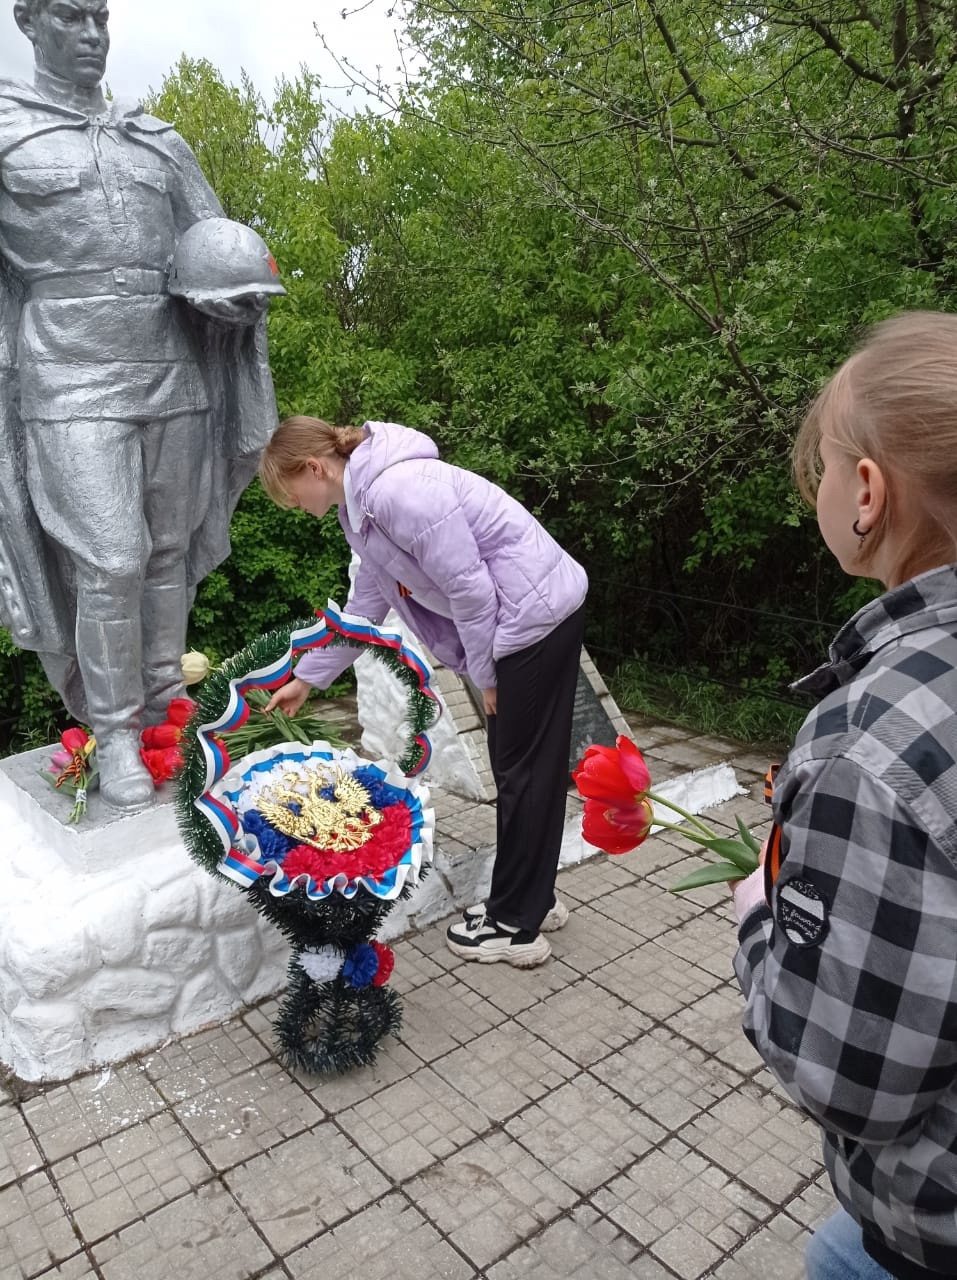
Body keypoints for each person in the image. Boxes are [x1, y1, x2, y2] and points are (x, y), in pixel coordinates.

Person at [0, 0, 280, 811]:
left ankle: (166, 711)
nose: (92, 35)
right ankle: (116, 731)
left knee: (166, 552)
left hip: (173, 370)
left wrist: (236, 299)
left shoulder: (155, 140)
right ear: (29, 22)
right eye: (71, 17)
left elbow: (216, 244)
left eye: (101, 17)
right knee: (111, 558)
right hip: (67, 374)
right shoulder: (8, 133)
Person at [731, 311, 957, 1280]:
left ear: (866, 491)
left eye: (820, 465)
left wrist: (757, 915)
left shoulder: (870, 743)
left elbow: (851, 1079)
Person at [259, 416, 588, 967]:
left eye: (291, 494)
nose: (295, 507)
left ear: (314, 467)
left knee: (522, 772)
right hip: (527, 616)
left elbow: (472, 591)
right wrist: (307, 679)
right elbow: (364, 608)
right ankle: (531, 899)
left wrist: (487, 676)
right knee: (526, 770)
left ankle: (515, 924)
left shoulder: (398, 492)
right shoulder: (362, 510)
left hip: (532, 620)